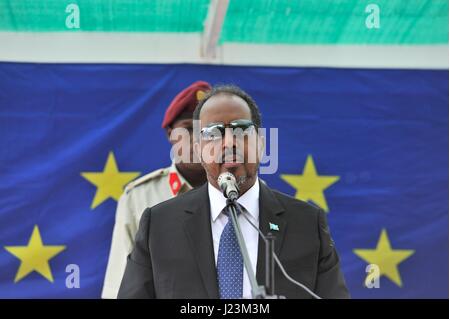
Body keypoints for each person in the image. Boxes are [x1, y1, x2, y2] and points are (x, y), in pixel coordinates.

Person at [117, 84, 349, 299]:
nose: (229, 143)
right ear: (199, 149)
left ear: (261, 144)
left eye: (241, 130)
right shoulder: (159, 225)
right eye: (214, 133)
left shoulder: (307, 223)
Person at [101, 81, 212, 299]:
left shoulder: (244, 192)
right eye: (189, 129)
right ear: (171, 134)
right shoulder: (139, 197)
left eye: (208, 130)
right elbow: (119, 283)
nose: (199, 139)